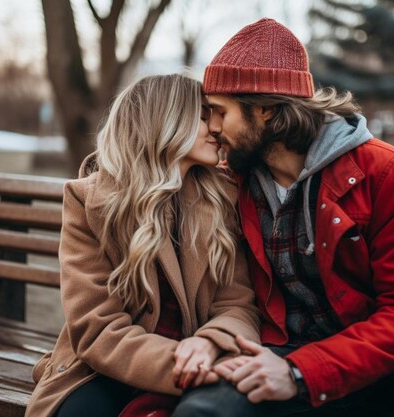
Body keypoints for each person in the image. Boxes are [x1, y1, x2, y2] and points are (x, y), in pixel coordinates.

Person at [172, 18, 394, 417]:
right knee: (205, 412)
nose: (212, 127)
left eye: (219, 112)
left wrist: (301, 373)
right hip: (285, 349)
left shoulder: (385, 172)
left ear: (264, 109)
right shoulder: (236, 181)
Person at [25, 74, 260, 417]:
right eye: (203, 115)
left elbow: (237, 303)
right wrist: (183, 364)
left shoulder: (222, 196)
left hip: (203, 359)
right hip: (108, 367)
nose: (215, 128)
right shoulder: (90, 202)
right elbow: (97, 327)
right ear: (164, 121)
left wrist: (209, 343)